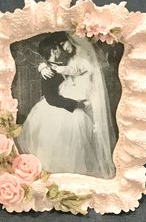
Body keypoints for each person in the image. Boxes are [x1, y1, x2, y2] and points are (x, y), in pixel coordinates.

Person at [16, 35, 99, 176]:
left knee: (69, 144)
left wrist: (43, 65)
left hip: (64, 105)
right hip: (57, 109)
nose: (61, 50)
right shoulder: (48, 72)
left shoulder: (58, 65)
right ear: (54, 51)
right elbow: (51, 99)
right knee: (58, 142)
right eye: (59, 48)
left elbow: (71, 70)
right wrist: (76, 104)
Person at [38, 33, 116, 179]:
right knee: (67, 138)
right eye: (59, 46)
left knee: (86, 134)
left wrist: (52, 68)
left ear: (71, 40)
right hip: (71, 100)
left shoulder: (85, 56)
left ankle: (81, 170)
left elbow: (75, 70)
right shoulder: (70, 57)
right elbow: (57, 69)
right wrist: (43, 66)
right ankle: (66, 171)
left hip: (86, 97)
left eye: (63, 44)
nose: (62, 48)